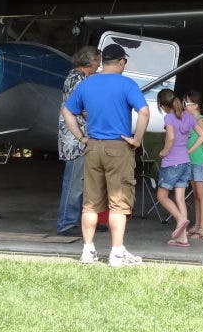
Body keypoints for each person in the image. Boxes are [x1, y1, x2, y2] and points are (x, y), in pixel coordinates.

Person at [61, 43, 150, 266]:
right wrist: (137, 139)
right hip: (118, 147)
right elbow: (144, 112)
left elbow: (66, 110)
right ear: (121, 62)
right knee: (118, 203)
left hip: (93, 147)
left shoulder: (87, 83)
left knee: (90, 203)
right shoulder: (127, 84)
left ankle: (88, 251)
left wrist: (82, 137)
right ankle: (117, 253)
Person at [55, 45, 101, 236]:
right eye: (98, 61)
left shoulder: (77, 77)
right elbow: (80, 108)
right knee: (74, 184)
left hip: (80, 138)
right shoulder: (77, 80)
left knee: (84, 183)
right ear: (90, 62)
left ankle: (85, 220)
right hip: (76, 140)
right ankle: (66, 223)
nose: (99, 65)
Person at [155, 88, 203, 247]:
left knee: (161, 196)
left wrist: (164, 151)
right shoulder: (188, 117)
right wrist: (190, 150)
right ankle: (182, 238)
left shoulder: (169, 118)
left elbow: (170, 137)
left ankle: (180, 219)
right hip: (186, 162)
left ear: (163, 105)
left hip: (171, 163)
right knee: (180, 198)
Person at [183, 90, 203, 240]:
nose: (185, 105)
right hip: (192, 161)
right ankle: (197, 224)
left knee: (201, 195)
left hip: (199, 161)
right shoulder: (190, 119)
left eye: (187, 102)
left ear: (196, 105)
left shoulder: (200, 119)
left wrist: (197, 150)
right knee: (196, 195)